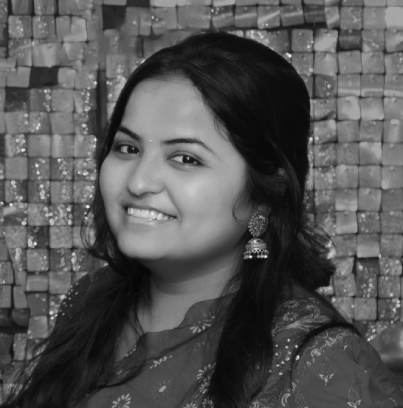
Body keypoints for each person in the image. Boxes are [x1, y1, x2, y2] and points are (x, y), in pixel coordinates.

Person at [3, 31, 402, 408]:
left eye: (186, 158)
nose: (138, 182)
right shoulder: (88, 302)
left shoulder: (320, 362)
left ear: (266, 192)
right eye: (127, 148)